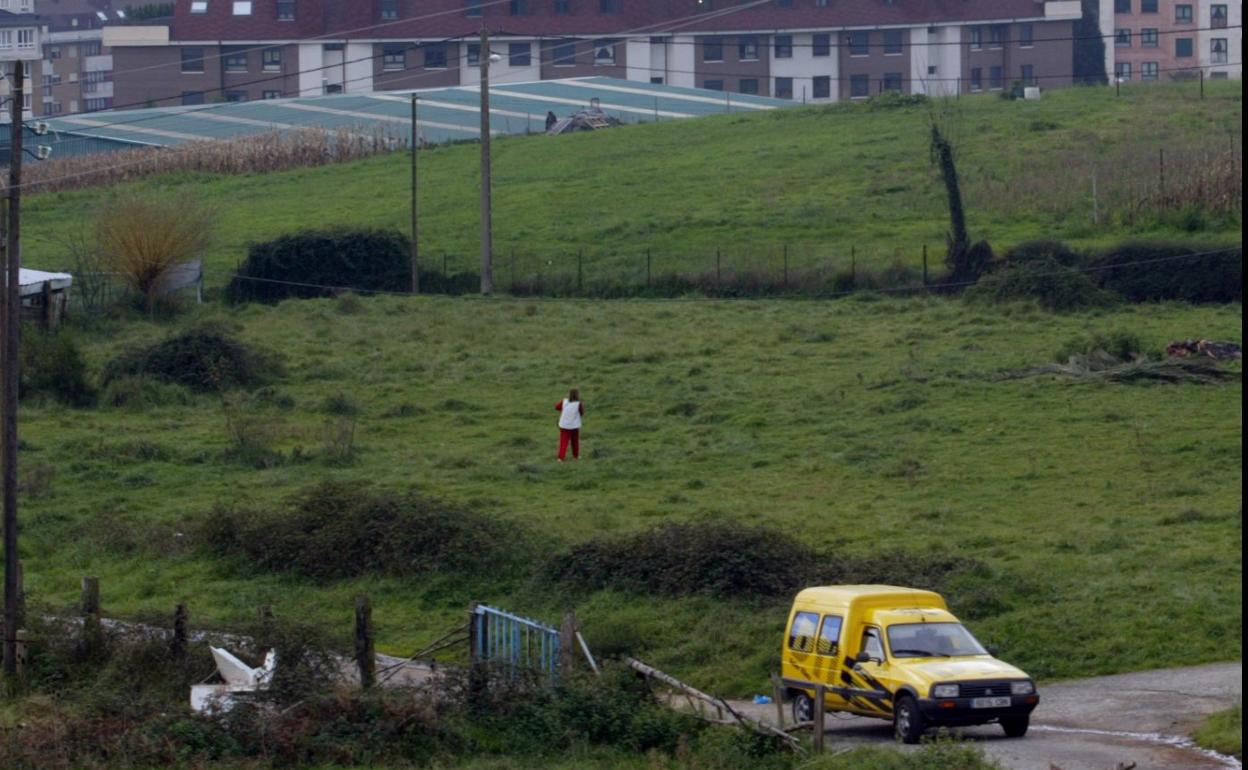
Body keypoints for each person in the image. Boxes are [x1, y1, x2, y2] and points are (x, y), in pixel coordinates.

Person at [555, 388, 584, 461]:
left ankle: (560, 458)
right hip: (574, 426)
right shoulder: (578, 404)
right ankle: (576, 456)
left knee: (563, 442)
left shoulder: (564, 401)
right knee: (575, 442)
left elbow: (556, 407)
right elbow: (582, 413)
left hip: (564, 425)